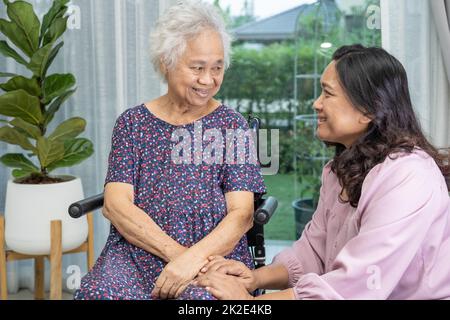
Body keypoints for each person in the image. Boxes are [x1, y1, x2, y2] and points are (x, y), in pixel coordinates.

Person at [195, 44, 450, 300]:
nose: (316, 103)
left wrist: (248, 303)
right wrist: (254, 277)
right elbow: (313, 251)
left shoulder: (408, 176)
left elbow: (357, 286)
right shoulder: (339, 171)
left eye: (327, 93)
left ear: (369, 110)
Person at [74, 0, 265, 300]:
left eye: (217, 67)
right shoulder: (133, 123)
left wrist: (195, 260)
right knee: (98, 292)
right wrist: (179, 257)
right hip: (137, 252)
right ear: (166, 62)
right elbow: (116, 205)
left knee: (203, 302)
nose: (209, 80)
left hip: (213, 255)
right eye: (197, 67)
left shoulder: (232, 125)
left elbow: (241, 215)